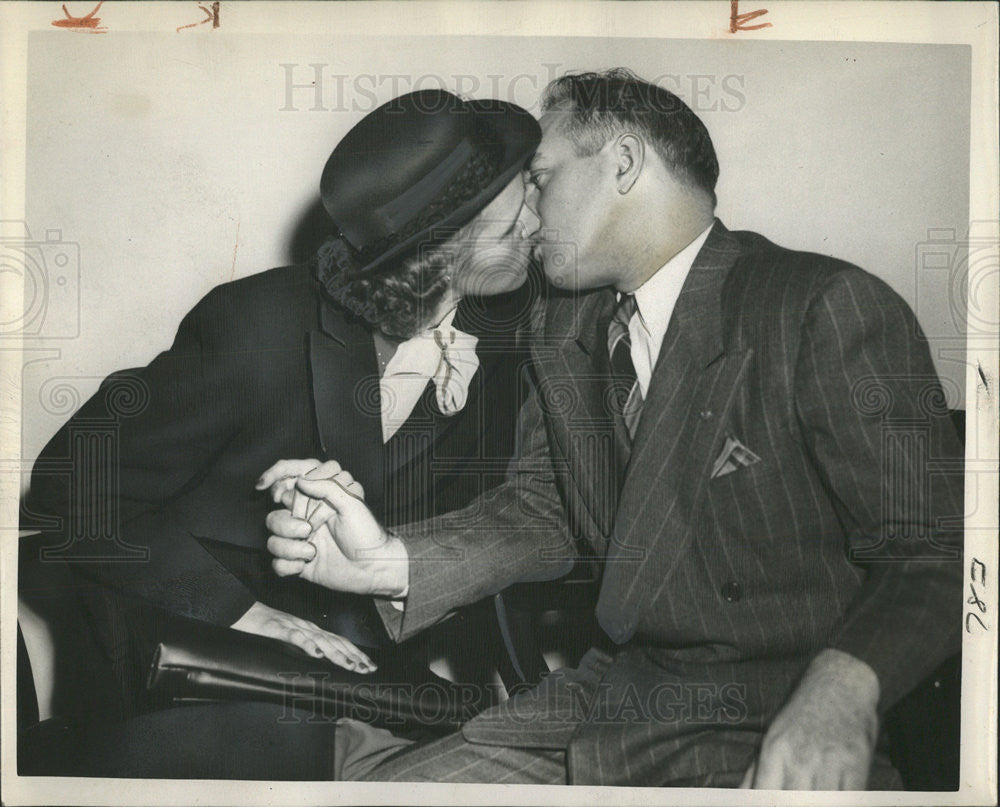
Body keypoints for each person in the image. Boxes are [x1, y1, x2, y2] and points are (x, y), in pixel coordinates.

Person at [265, 69, 964, 788]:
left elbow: (937, 549)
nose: (525, 215)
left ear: (624, 163)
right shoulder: (563, 325)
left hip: (773, 717)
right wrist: (386, 561)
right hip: (606, 703)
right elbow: (546, 509)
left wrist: (844, 688)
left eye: (539, 178)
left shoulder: (821, 306)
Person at [23, 89, 542, 718]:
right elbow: (70, 483)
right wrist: (246, 614)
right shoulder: (255, 326)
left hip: (360, 670)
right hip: (198, 659)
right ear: (444, 250)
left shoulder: (506, 336)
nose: (538, 228)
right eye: (515, 223)